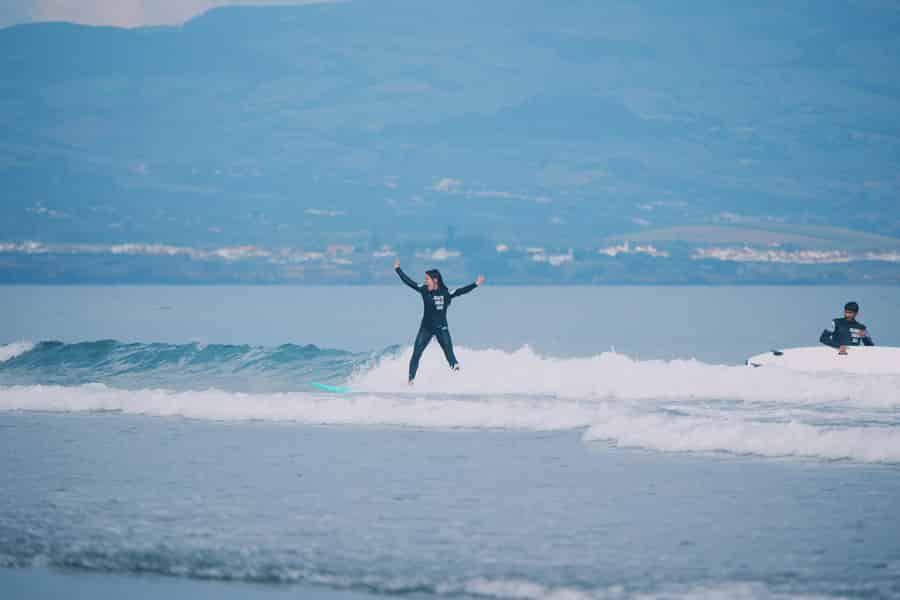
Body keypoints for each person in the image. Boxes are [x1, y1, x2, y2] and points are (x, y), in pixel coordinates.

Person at [394, 258, 485, 384]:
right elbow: (409, 282)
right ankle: (410, 382)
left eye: (427, 279)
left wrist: (475, 284)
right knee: (416, 354)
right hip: (426, 328)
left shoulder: (445, 293)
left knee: (449, 354)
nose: (425, 282)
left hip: (441, 328)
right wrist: (398, 270)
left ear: (435, 280)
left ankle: (460, 379)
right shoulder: (424, 290)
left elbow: (460, 291)